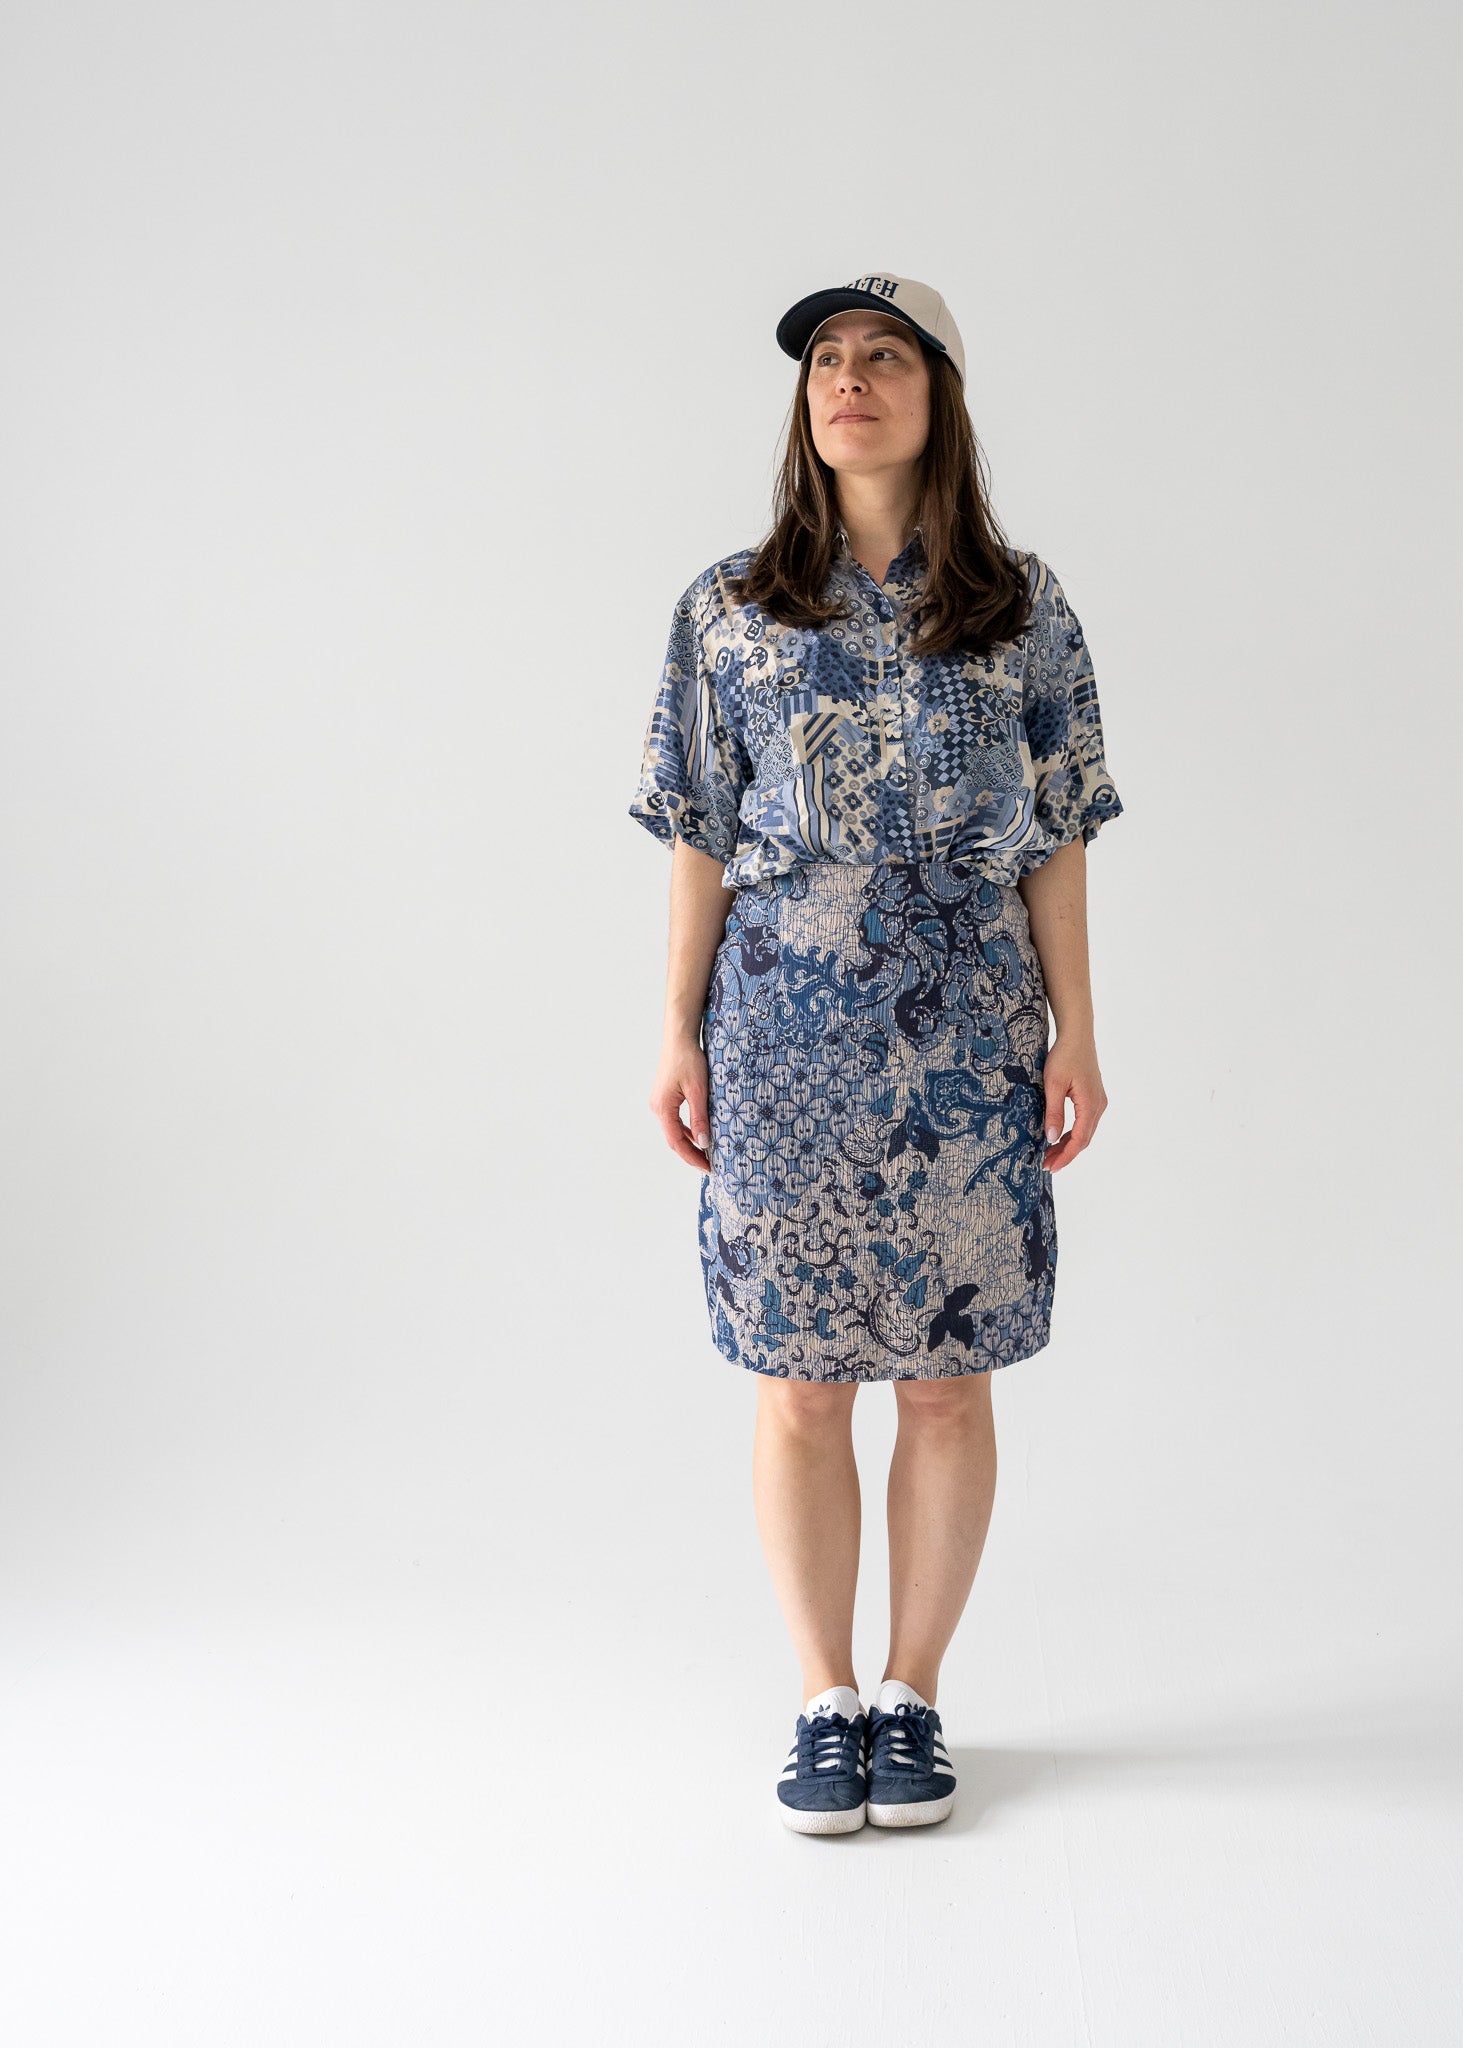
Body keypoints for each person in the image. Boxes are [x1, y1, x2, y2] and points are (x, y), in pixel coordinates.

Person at [627, 272, 1125, 1835]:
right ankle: (819, 1695)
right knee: (797, 1383)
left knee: (950, 1390)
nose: (849, 380)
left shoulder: (1023, 604)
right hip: (777, 1030)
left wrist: (1080, 1037)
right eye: (828, 361)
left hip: (970, 1034)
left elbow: (1057, 837)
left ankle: (910, 1692)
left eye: (883, 356)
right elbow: (700, 835)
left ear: (938, 397)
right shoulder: (729, 607)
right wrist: (674, 1031)